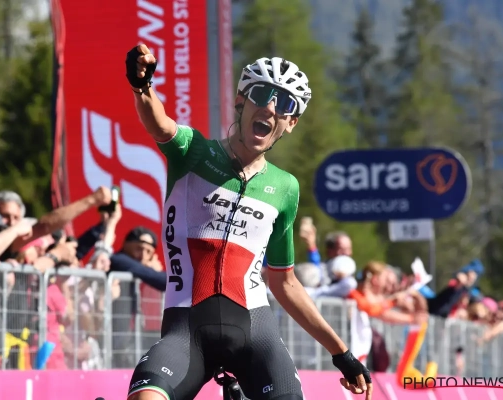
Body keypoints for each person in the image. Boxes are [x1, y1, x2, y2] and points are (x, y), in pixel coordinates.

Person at [122, 44, 372, 400]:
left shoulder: (285, 188)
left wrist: (342, 353)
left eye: (284, 104)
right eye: (262, 94)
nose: (270, 107)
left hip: (256, 335)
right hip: (186, 332)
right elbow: (160, 124)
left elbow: (284, 282)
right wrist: (142, 87)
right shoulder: (195, 152)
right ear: (241, 100)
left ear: (290, 123)